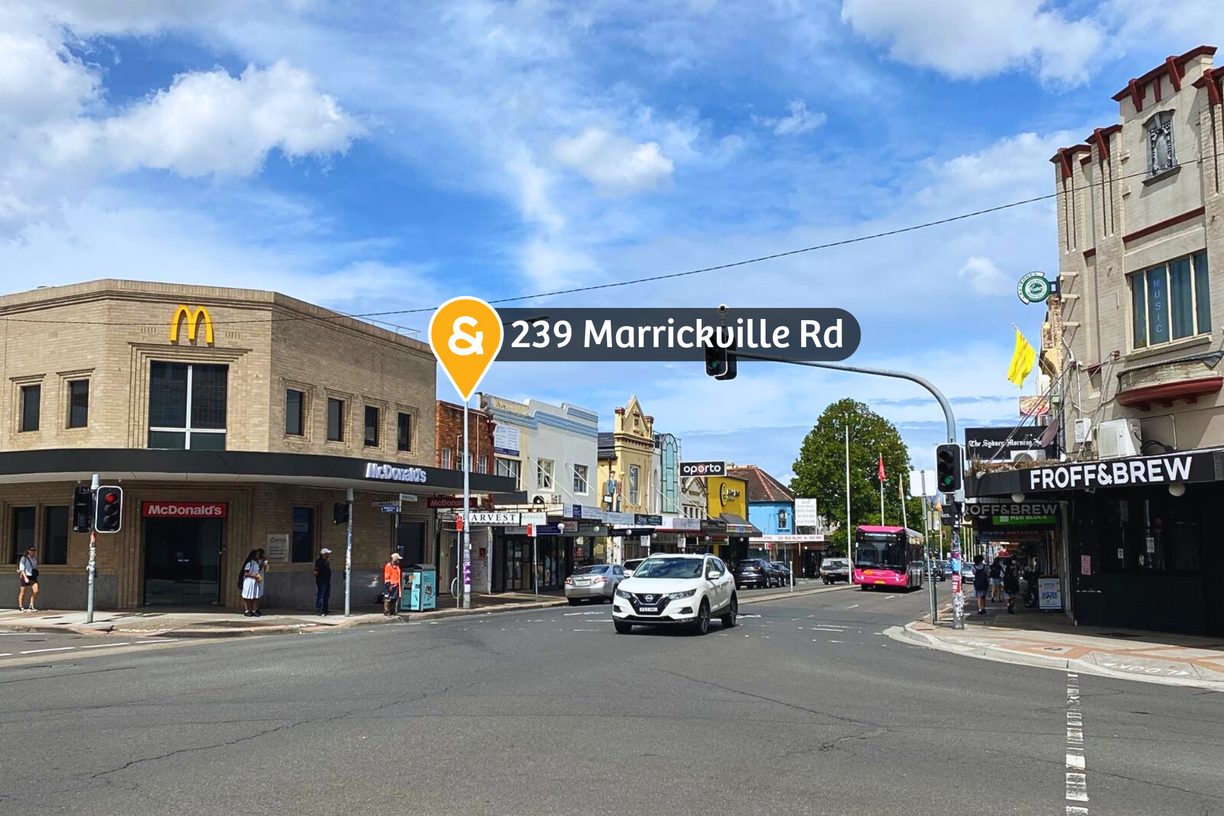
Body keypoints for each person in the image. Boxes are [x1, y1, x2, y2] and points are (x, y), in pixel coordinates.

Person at [240, 549, 265, 617]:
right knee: (247, 597)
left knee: (255, 596)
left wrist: (263, 564)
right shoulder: (249, 563)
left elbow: (258, 570)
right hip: (249, 581)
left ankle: (254, 610)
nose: (258, 556)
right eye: (257, 554)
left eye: (258, 554)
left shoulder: (256, 563)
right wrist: (254, 576)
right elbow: (245, 573)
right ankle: (247, 610)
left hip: (255, 582)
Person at [17, 546, 39, 612]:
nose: (32, 552)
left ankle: (31, 605)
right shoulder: (24, 558)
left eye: (34, 550)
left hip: (32, 576)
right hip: (25, 575)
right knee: (23, 592)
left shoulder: (34, 559)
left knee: (36, 590)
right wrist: (25, 577)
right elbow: (22, 569)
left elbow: (34, 567)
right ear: (28, 551)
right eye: (31, 550)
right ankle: (20, 606)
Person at [313, 548, 333, 616]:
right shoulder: (319, 562)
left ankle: (325, 609)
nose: (328, 555)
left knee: (326, 595)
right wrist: (318, 576)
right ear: (323, 554)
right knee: (321, 595)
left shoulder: (326, 561)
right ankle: (320, 609)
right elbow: (315, 571)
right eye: (327, 554)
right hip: (321, 581)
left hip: (327, 580)